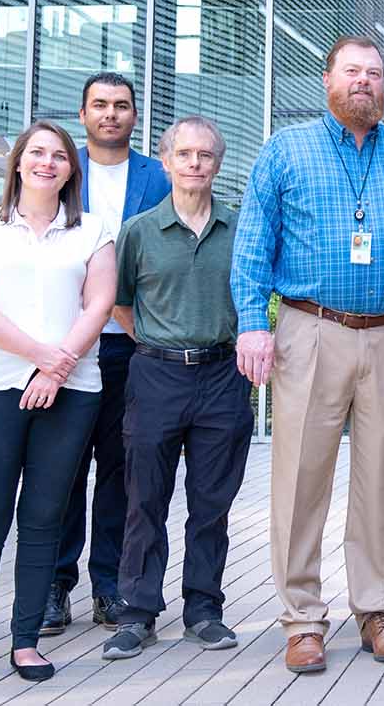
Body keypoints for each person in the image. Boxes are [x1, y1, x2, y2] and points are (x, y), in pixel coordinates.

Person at [231, 36, 384, 675]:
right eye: (352, 71)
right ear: (327, 77)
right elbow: (252, 247)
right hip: (310, 332)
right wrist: (254, 324)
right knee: (301, 476)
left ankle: (378, 609)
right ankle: (302, 619)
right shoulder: (285, 151)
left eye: (375, 73)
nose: (365, 81)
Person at [0, 122, 116, 688]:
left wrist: (58, 366)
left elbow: (99, 304)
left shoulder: (92, 230)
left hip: (73, 390)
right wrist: (43, 357)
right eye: (36, 153)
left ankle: (25, 642)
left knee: (44, 518)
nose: (47, 163)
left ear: (71, 169)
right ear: (17, 163)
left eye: (58, 156)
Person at [101, 117, 254, 660]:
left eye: (205, 155)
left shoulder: (241, 231)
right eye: (183, 154)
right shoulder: (139, 231)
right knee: (144, 499)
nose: (194, 163)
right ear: (164, 162)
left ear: (217, 164)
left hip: (223, 375)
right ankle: (137, 612)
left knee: (211, 504)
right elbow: (117, 300)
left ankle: (203, 609)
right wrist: (154, 340)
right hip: (156, 374)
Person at [46, 73, 170, 634]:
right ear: (82, 113)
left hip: (132, 345)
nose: (111, 114)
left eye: (122, 105)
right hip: (66, 343)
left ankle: (111, 588)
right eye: (100, 104)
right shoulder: (59, 170)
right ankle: (54, 586)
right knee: (62, 469)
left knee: (121, 472)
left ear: (135, 116)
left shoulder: (157, 176)